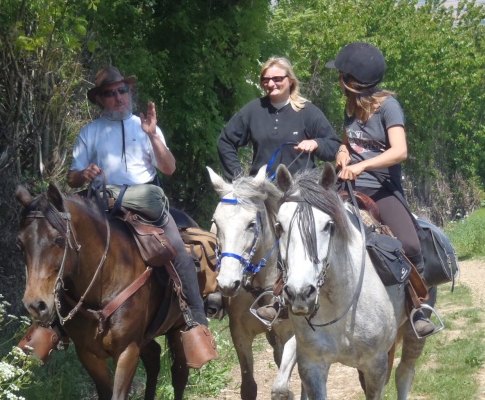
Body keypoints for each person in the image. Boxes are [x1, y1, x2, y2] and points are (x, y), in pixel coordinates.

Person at [68, 66, 218, 367]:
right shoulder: (90, 132)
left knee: (179, 251)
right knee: (63, 248)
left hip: (146, 202)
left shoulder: (145, 126)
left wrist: (153, 136)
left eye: (122, 90)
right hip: (101, 205)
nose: (118, 97)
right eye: (110, 93)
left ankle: (195, 324)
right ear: (100, 100)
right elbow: (72, 178)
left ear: (129, 93)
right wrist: (84, 174)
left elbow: (168, 168)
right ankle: (52, 325)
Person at [327, 42, 439, 338]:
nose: (338, 80)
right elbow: (350, 141)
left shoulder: (388, 107)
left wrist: (363, 167)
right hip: (346, 185)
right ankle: (285, 296)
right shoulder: (350, 106)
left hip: (381, 188)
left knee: (411, 245)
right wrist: (342, 150)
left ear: (353, 81)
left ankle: (418, 307)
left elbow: (400, 151)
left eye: (341, 75)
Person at [218, 56, 341, 181]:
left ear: (291, 81)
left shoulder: (307, 111)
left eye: (277, 79)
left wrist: (316, 143)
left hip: (299, 192)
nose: (271, 84)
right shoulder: (253, 110)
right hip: (262, 192)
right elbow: (225, 141)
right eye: (266, 80)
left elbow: (335, 147)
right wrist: (238, 179)